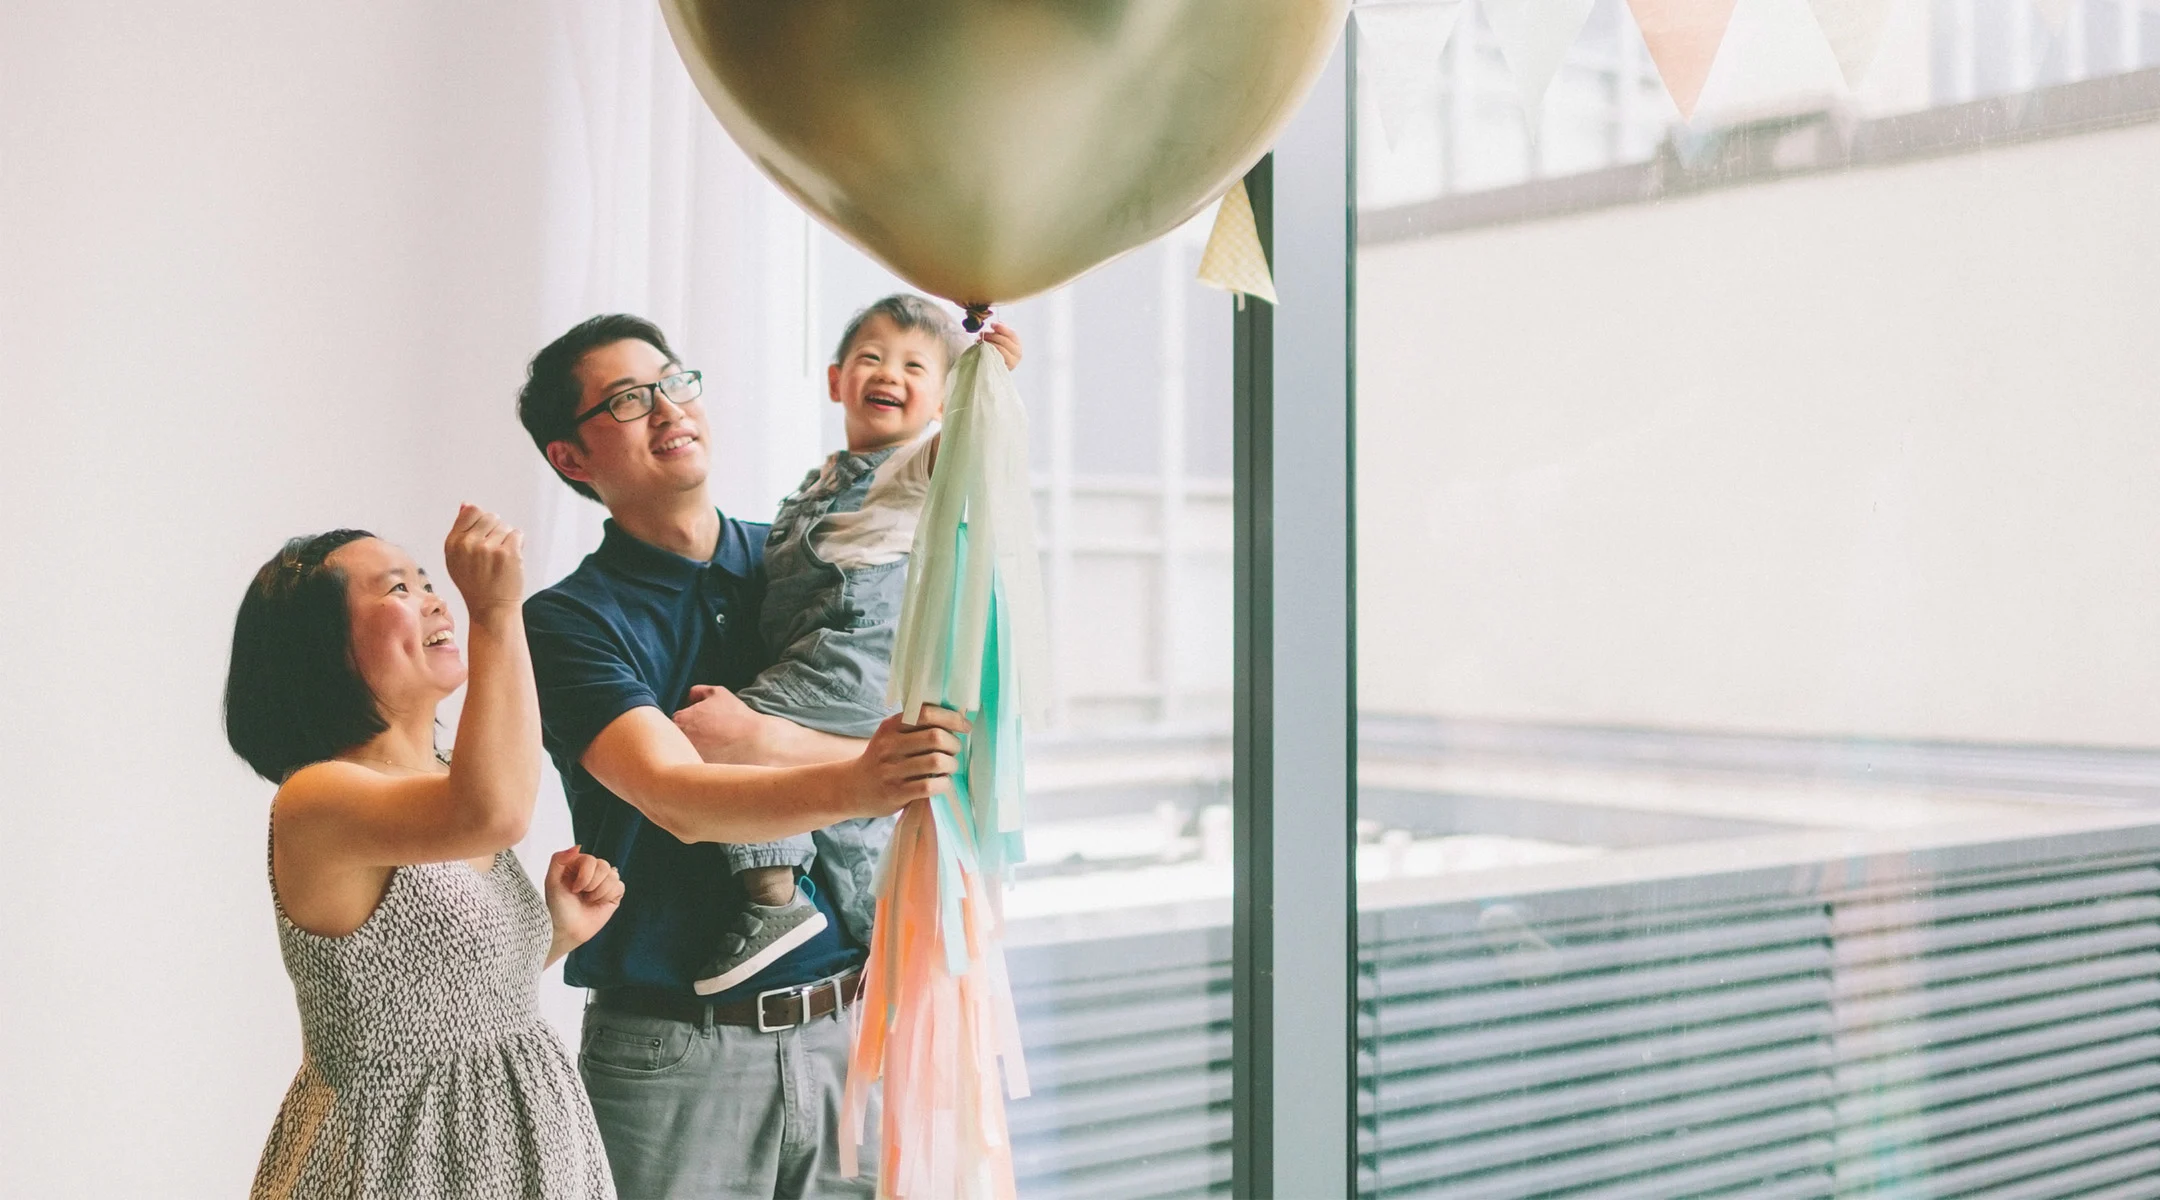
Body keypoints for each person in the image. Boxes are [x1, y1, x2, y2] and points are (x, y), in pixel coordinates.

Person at [516, 313, 973, 1199]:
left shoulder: (811, 561)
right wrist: (859, 775)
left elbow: (926, 748)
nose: (667, 409)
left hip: (852, 1023)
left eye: (675, 380)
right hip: (678, 1051)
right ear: (572, 458)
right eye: (626, 400)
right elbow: (678, 794)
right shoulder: (570, 621)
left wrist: (770, 739)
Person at [225, 506, 624, 1199]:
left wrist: (550, 931)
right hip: (402, 1160)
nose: (435, 597)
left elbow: (432, 995)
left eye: (426, 579)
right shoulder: (316, 799)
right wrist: (497, 612)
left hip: (526, 1146)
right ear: (322, 650)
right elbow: (494, 811)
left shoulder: (442, 777)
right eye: (396, 590)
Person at [680, 294, 1019, 996]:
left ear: (940, 401)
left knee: (715, 736)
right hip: (822, 656)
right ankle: (876, 929)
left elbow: (962, 450)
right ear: (836, 380)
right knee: (838, 820)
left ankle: (773, 896)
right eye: (871, 357)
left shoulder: (912, 471)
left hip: (857, 660)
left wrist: (986, 384)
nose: (888, 373)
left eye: (914, 366)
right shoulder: (823, 480)